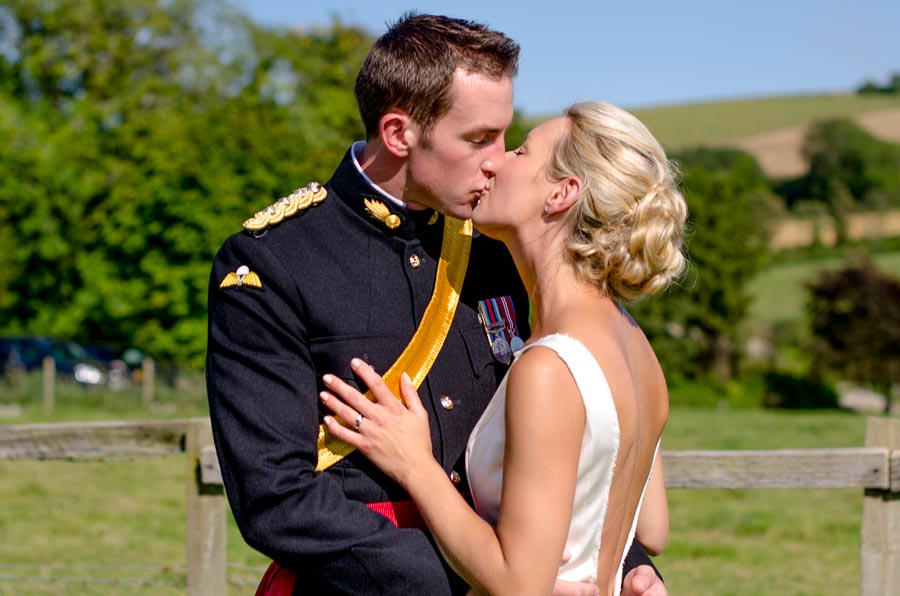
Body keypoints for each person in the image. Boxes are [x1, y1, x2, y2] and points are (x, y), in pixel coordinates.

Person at [206, 12, 665, 595]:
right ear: (400, 134)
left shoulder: (502, 250)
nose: (498, 160)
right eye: (477, 139)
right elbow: (275, 497)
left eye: (506, 136)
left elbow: (577, 443)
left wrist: (626, 566)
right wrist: (476, 582)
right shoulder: (276, 262)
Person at [319, 100, 685, 595]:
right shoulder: (637, 346)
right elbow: (652, 529)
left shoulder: (551, 366)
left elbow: (518, 584)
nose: (496, 161)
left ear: (562, 193)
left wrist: (414, 464)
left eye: (521, 151)